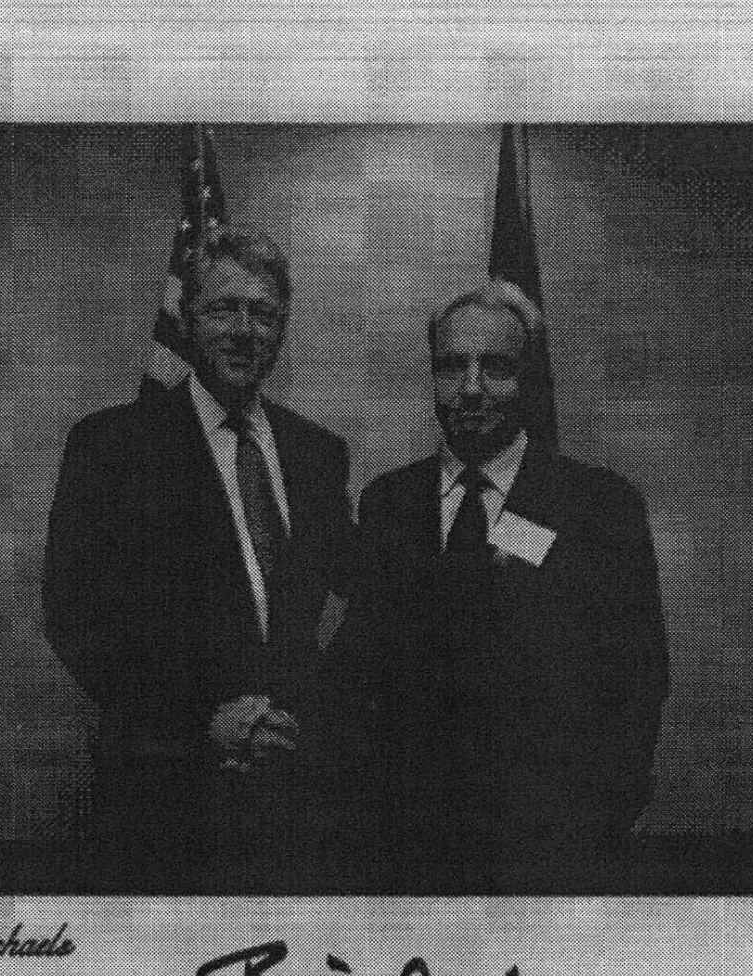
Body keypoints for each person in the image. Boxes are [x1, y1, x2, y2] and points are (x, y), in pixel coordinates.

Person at [42, 226, 356, 893]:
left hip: (294, 793)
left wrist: (307, 715)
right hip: (163, 792)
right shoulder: (112, 447)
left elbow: (355, 602)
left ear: (282, 329)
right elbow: (74, 618)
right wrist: (204, 722)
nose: (244, 331)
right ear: (186, 319)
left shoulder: (318, 454)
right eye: (223, 309)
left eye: (262, 314)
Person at [339, 280, 670, 894]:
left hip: (553, 860)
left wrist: (595, 828)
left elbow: (638, 679)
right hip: (409, 860)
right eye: (451, 367)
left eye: (495, 368)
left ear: (530, 378)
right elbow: (363, 675)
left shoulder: (600, 507)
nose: (471, 389)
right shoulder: (389, 502)